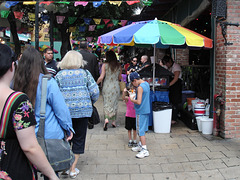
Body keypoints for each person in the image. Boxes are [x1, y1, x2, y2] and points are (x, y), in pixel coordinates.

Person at [13, 47, 74, 180]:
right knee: (50, 171)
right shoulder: (48, 82)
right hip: (49, 135)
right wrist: (68, 127)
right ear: (39, 62)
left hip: (22, 135)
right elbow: (60, 109)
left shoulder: (15, 83)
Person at [0, 44, 59, 180]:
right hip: (12, 166)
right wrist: (51, 175)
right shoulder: (18, 101)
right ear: (12, 66)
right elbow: (30, 147)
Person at [55, 50, 99, 179]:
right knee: (79, 138)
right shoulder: (85, 74)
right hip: (83, 111)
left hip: (64, 113)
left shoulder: (59, 75)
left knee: (65, 139)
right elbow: (95, 91)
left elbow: (54, 93)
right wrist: (89, 102)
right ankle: (72, 168)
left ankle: (64, 166)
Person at [97, 50, 122, 131]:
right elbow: (120, 78)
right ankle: (114, 121)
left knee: (106, 103)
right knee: (114, 103)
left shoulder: (105, 65)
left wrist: (95, 83)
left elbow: (101, 77)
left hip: (107, 86)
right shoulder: (118, 65)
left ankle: (106, 119)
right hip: (115, 87)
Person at [129, 72, 150, 159]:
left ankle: (144, 150)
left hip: (140, 111)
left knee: (140, 131)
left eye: (132, 83)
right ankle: (140, 145)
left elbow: (138, 101)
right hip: (146, 109)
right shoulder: (146, 84)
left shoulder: (140, 88)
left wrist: (131, 99)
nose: (133, 85)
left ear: (134, 80)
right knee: (143, 129)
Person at [161, 55, 182, 125]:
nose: (166, 65)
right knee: (170, 101)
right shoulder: (168, 67)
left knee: (175, 101)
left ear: (170, 61)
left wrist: (168, 85)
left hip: (176, 86)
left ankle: (174, 118)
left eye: (166, 63)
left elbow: (176, 79)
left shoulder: (176, 67)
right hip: (171, 87)